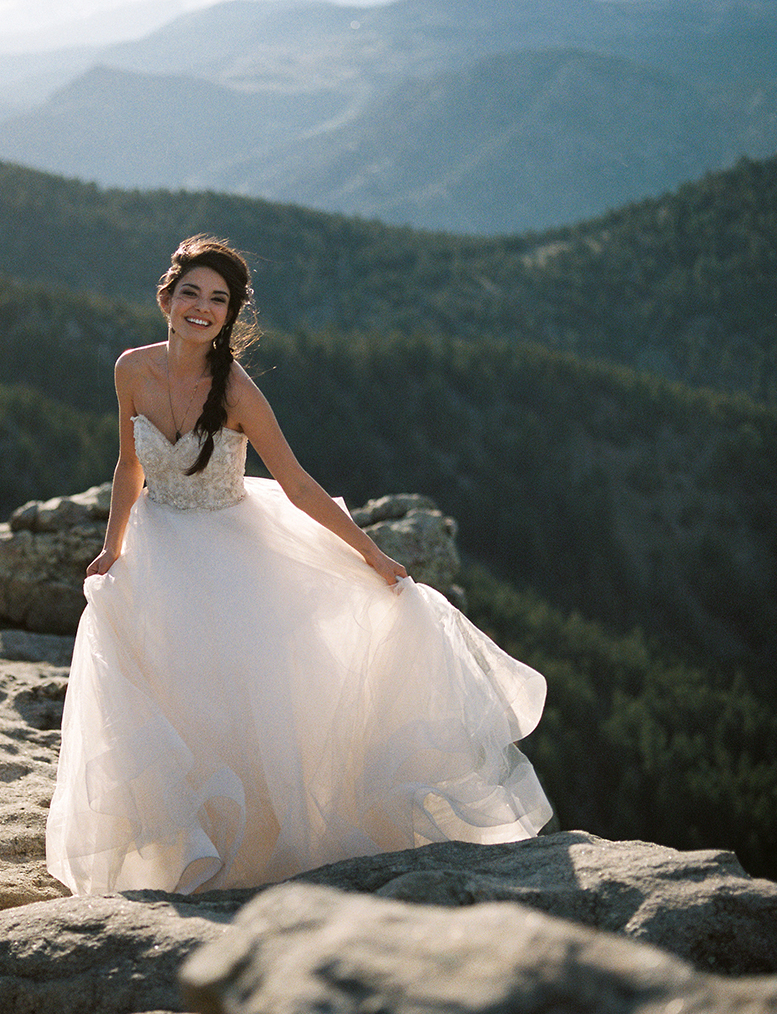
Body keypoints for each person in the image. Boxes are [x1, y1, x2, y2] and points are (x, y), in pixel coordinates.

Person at [46, 234, 552, 895]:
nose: (202, 307)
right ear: (166, 297)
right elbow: (127, 464)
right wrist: (113, 547)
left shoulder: (237, 391)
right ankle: (183, 847)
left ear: (231, 315)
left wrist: (370, 551)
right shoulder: (130, 370)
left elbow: (296, 483)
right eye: (192, 292)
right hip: (157, 547)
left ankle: (249, 849)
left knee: (241, 699)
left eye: (218, 299)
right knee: (170, 694)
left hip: (231, 551)